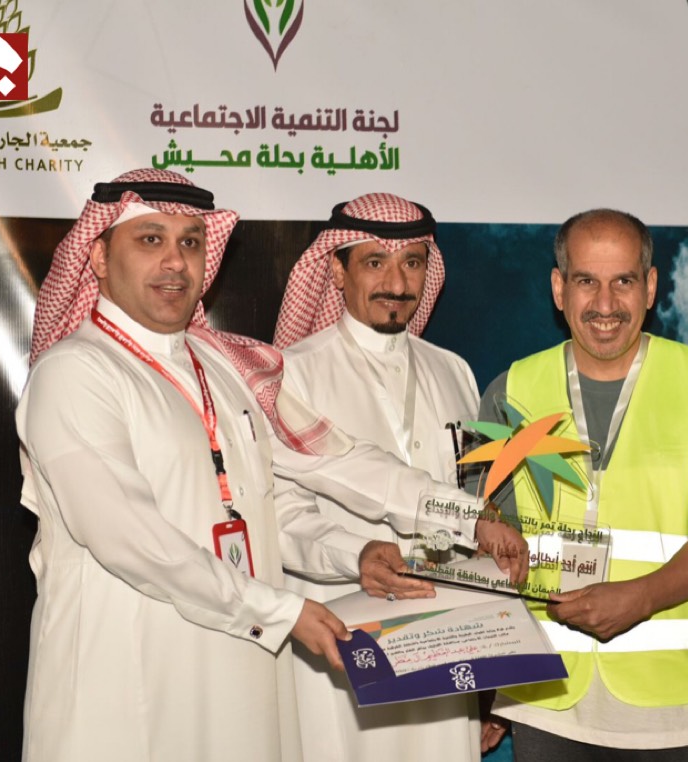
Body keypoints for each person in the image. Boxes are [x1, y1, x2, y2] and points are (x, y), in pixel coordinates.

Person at [15, 169, 526, 761]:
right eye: (150, 239)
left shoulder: (227, 364)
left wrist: (465, 517)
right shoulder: (74, 374)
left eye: (191, 242)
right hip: (127, 675)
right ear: (99, 257)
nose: (176, 262)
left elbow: (340, 462)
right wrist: (282, 611)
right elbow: (131, 539)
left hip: (236, 669)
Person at [480, 208, 688, 760]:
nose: (606, 304)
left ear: (651, 286)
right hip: (547, 705)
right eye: (587, 281)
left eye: (624, 282)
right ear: (559, 288)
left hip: (683, 711)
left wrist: (639, 598)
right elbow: (489, 538)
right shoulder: (509, 390)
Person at [272, 193, 486, 759]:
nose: (396, 282)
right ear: (336, 270)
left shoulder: (454, 370)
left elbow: (476, 513)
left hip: (445, 642)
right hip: (340, 643)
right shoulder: (291, 372)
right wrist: (354, 554)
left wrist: (491, 678)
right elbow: (281, 516)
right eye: (375, 262)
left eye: (412, 262)